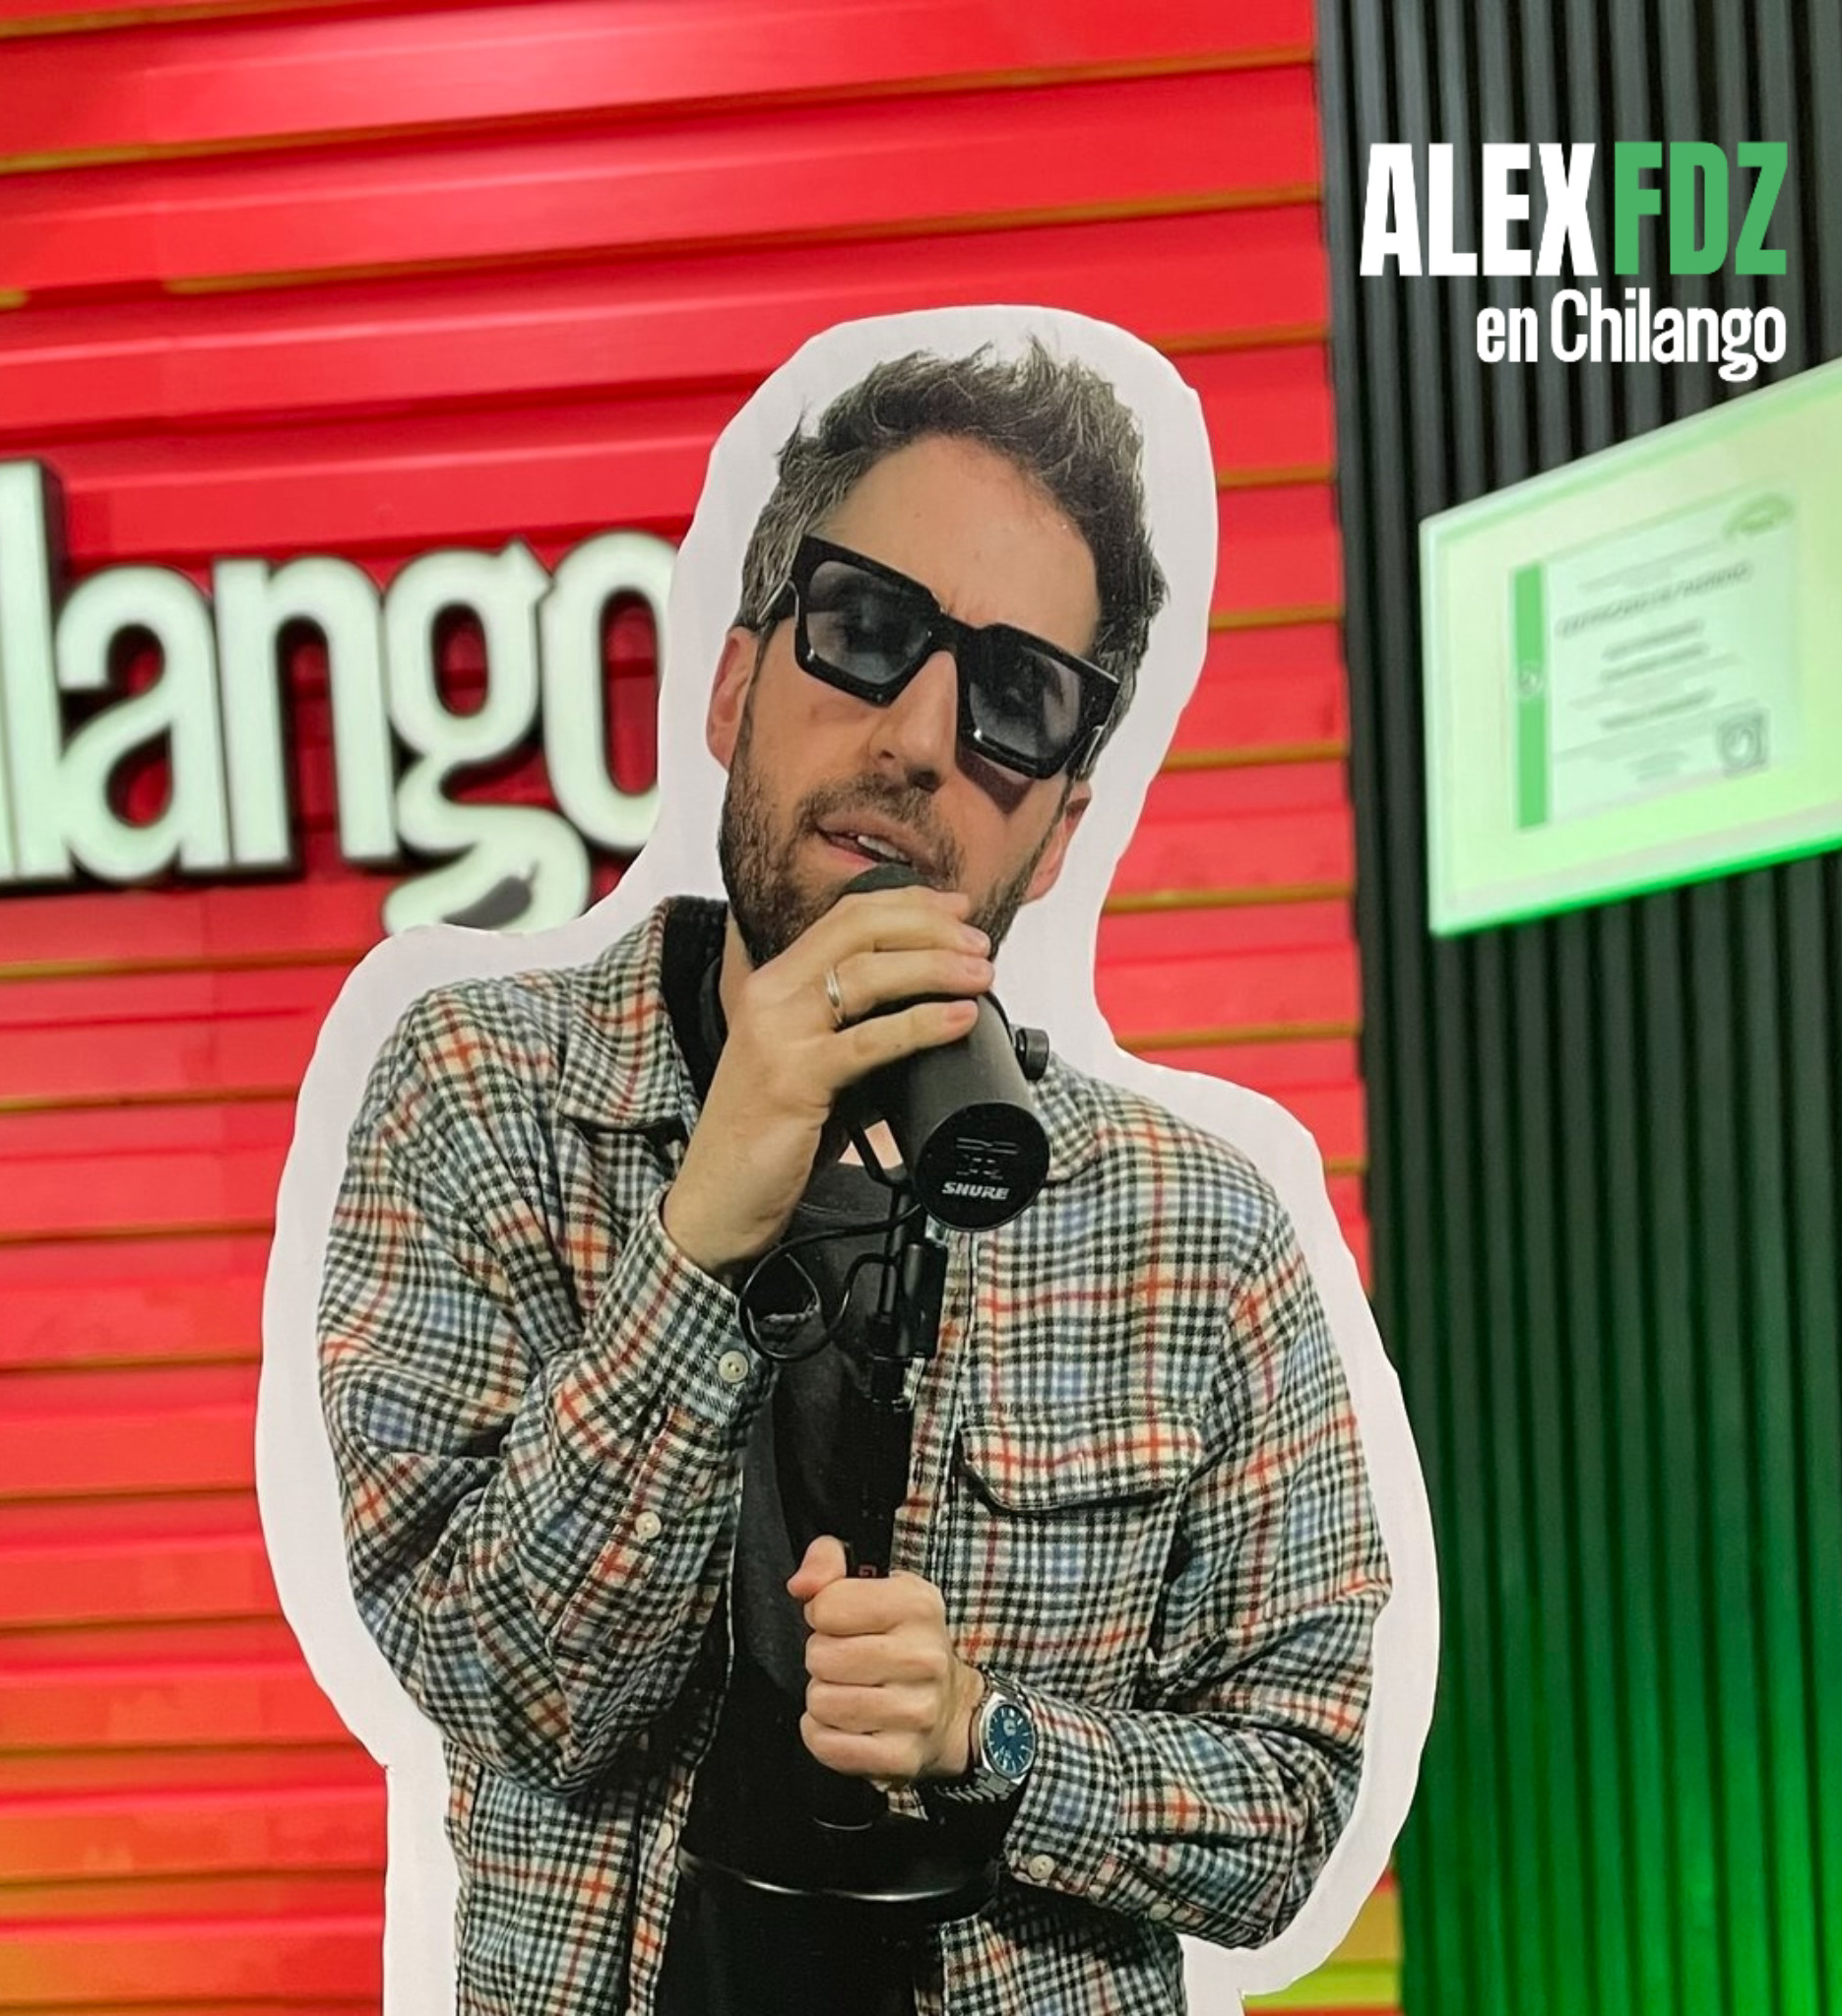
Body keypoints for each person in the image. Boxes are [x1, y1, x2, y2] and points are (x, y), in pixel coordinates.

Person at [317, 342, 1390, 2016]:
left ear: (1058, 827)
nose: (921, 737)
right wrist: (701, 1237)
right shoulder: (483, 1094)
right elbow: (515, 1697)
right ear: (735, 688)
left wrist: (990, 1736)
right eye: (871, 630)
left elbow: (1294, 1810)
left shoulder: (1198, 1230)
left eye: (1017, 698)